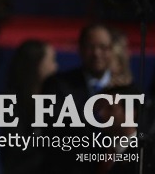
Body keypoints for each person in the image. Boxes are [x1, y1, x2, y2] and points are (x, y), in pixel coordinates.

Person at [41, 22, 114, 174]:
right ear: (80, 49)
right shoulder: (58, 86)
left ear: (112, 50)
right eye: (90, 47)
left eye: (103, 47)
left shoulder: (126, 89)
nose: (97, 53)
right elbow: (54, 135)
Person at [0, 39, 58, 173]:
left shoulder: (54, 99)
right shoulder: (11, 102)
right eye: (52, 61)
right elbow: (16, 147)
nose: (56, 67)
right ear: (38, 65)